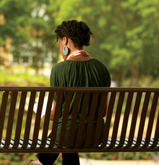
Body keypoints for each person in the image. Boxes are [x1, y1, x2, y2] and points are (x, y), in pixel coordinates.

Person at [28, 20, 111, 165]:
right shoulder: (102, 68)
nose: (60, 48)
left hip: (67, 135)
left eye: (59, 43)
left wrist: (44, 114)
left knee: (67, 131)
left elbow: (57, 114)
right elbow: (103, 111)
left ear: (65, 40)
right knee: (69, 133)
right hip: (96, 135)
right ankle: (41, 162)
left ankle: (41, 162)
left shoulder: (59, 70)